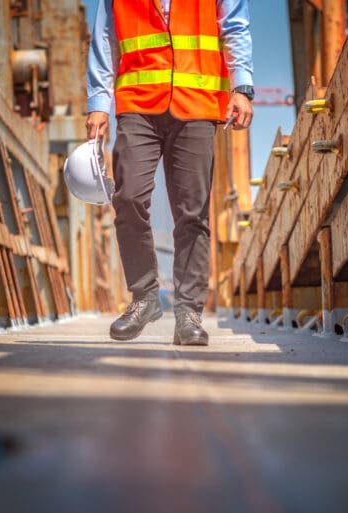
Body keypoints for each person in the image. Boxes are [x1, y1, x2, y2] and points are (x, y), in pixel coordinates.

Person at [86, 0, 254, 345]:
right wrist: (99, 104)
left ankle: (189, 313)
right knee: (128, 196)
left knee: (192, 213)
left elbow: (235, 27)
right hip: (137, 103)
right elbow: (105, 38)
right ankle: (144, 297)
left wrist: (241, 88)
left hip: (198, 103)